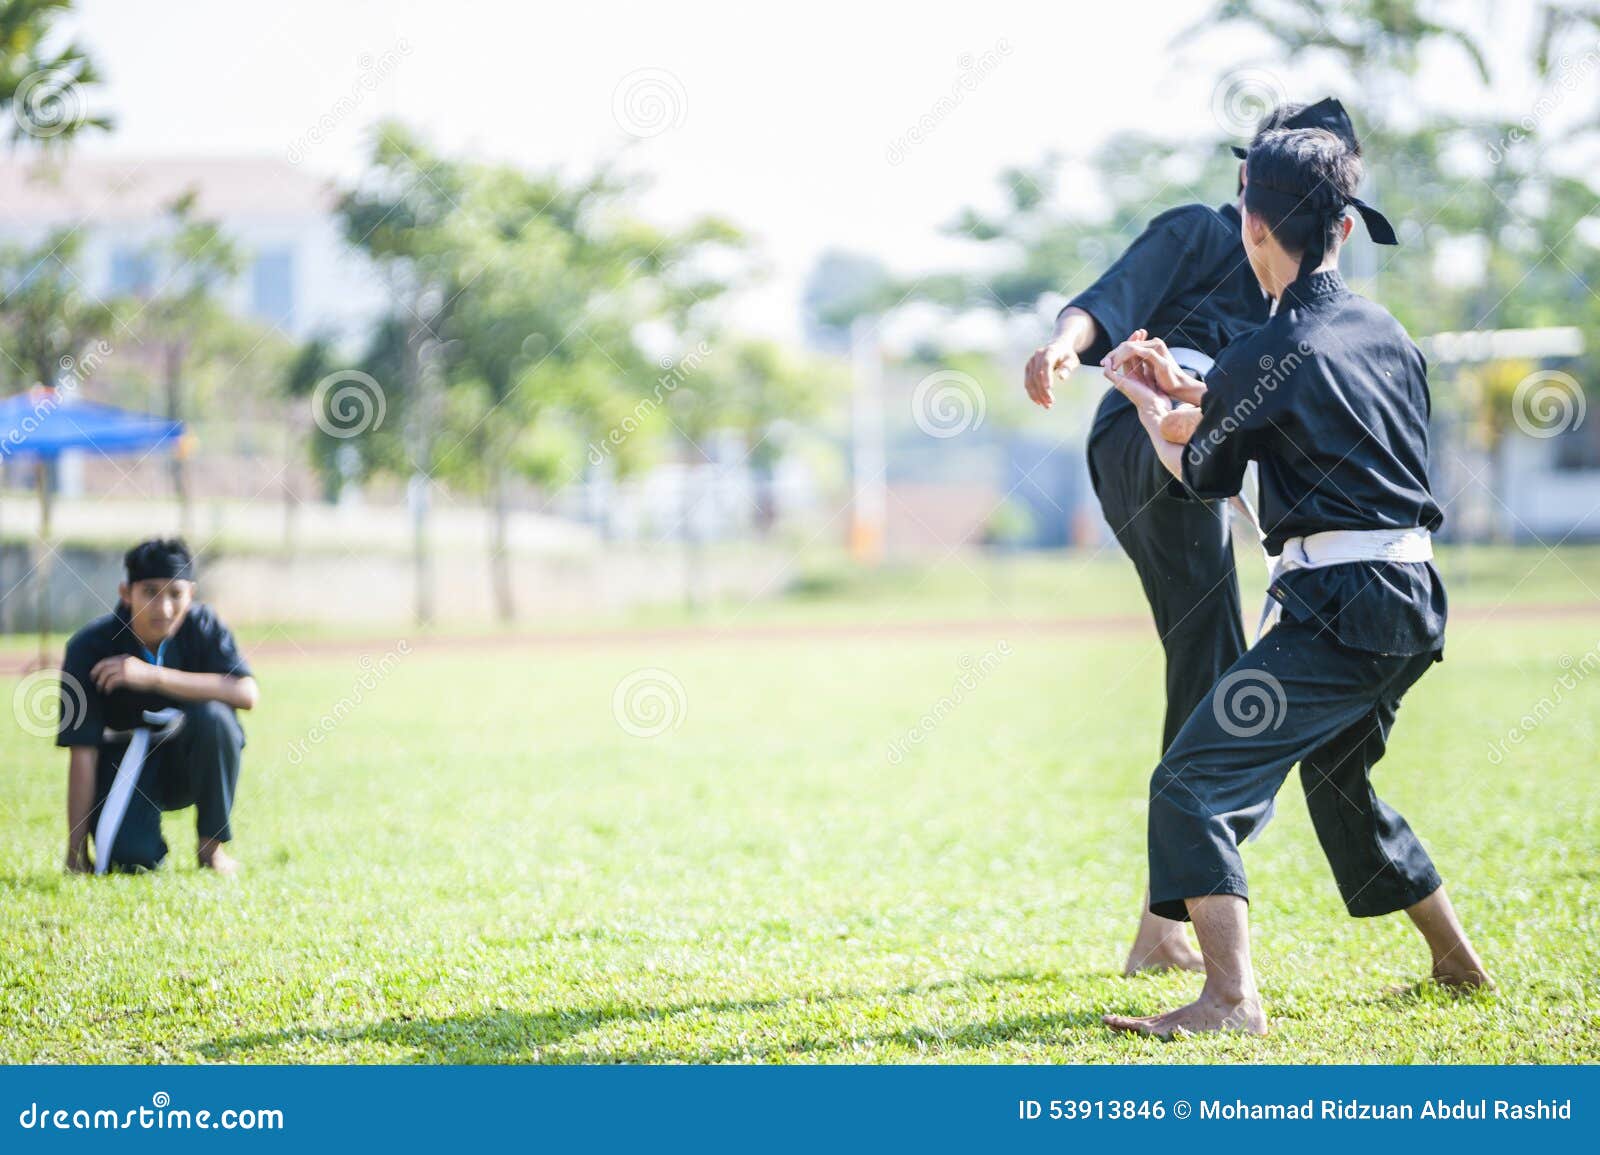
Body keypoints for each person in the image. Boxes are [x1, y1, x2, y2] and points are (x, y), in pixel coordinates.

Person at [1097, 119, 1490, 1038]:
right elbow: (1296, 407)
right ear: (1343, 230)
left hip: (1338, 611)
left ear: (1251, 225)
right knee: (1342, 785)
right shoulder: (1383, 330)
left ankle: (1230, 999)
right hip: (1412, 601)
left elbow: (1202, 474)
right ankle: (1456, 961)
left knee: (1190, 784)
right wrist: (1192, 392)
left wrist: (1141, 394)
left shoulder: (1261, 352)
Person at [1023, 103, 1315, 974]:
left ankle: (1164, 925)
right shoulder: (1198, 233)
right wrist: (1063, 346)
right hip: (1139, 441)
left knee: (1218, 672)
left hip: (1209, 465)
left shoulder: (1301, 298)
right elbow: (1111, 297)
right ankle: (1170, 917)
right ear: (1249, 188)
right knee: (1219, 675)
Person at [58, 538, 259, 876]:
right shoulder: (88, 648)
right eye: (150, 592)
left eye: (175, 594)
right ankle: (136, 842)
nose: (164, 608)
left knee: (216, 718)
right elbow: (83, 751)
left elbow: (246, 692)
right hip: (124, 768)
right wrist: (75, 853)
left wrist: (153, 677)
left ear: (191, 594)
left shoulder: (204, 627)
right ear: (126, 593)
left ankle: (211, 850)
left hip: (188, 763)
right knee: (131, 861)